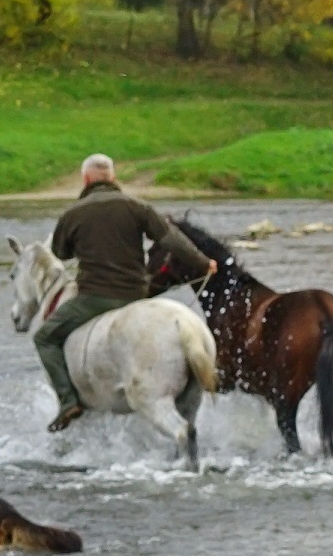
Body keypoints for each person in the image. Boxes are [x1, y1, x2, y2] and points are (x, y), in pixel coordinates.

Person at [36, 154, 209, 430]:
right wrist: (204, 262)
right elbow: (173, 240)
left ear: (85, 179)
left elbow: (60, 253)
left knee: (44, 337)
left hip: (93, 299)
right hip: (136, 296)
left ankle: (68, 403)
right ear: (113, 177)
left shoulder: (73, 214)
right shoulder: (137, 207)